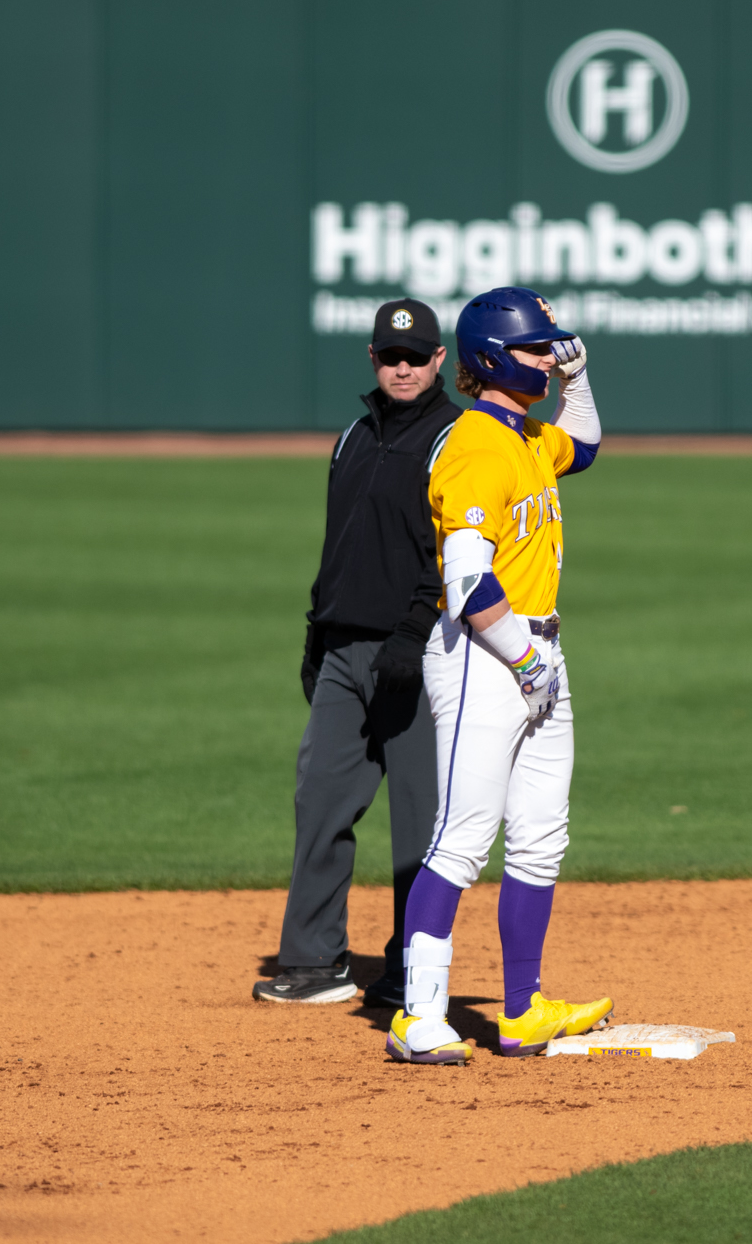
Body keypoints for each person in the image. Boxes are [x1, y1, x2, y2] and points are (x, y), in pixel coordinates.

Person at [381, 287, 610, 1065]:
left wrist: (577, 380)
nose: (549, 355)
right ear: (488, 358)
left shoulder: (524, 434)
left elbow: (584, 447)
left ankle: (522, 1010)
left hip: (536, 655)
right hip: (487, 658)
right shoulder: (477, 445)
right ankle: (418, 1015)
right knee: (462, 838)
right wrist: (523, 655)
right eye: (535, 347)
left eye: (550, 345)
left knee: (541, 837)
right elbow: (467, 579)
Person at [253, 298, 463, 1008]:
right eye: (390, 355)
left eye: (416, 356)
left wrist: (412, 631)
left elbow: (457, 551)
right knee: (320, 799)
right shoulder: (353, 434)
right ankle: (315, 961)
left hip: (421, 651)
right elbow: (339, 543)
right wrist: (319, 629)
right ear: (373, 358)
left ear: (441, 360)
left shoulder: (455, 438)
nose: (403, 367)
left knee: (418, 818)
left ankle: (414, 968)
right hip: (344, 650)